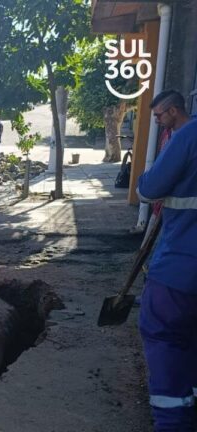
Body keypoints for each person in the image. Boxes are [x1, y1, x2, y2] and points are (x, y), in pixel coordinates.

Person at [136, 90, 197, 431]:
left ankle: (174, 422)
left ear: (174, 111)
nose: (157, 121)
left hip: (182, 267)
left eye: (160, 116)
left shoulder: (186, 138)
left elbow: (148, 189)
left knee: (164, 335)